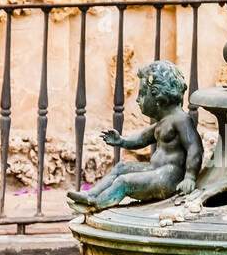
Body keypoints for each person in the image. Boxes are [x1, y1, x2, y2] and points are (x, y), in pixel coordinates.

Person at [67, 60, 202, 211]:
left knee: (124, 181)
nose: (138, 99)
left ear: (158, 96)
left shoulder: (181, 120)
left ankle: (96, 205)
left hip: (169, 178)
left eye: (143, 94)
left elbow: (194, 148)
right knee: (121, 167)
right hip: (155, 171)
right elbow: (142, 139)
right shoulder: (163, 122)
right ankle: (91, 194)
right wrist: (122, 141)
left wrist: (190, 177)